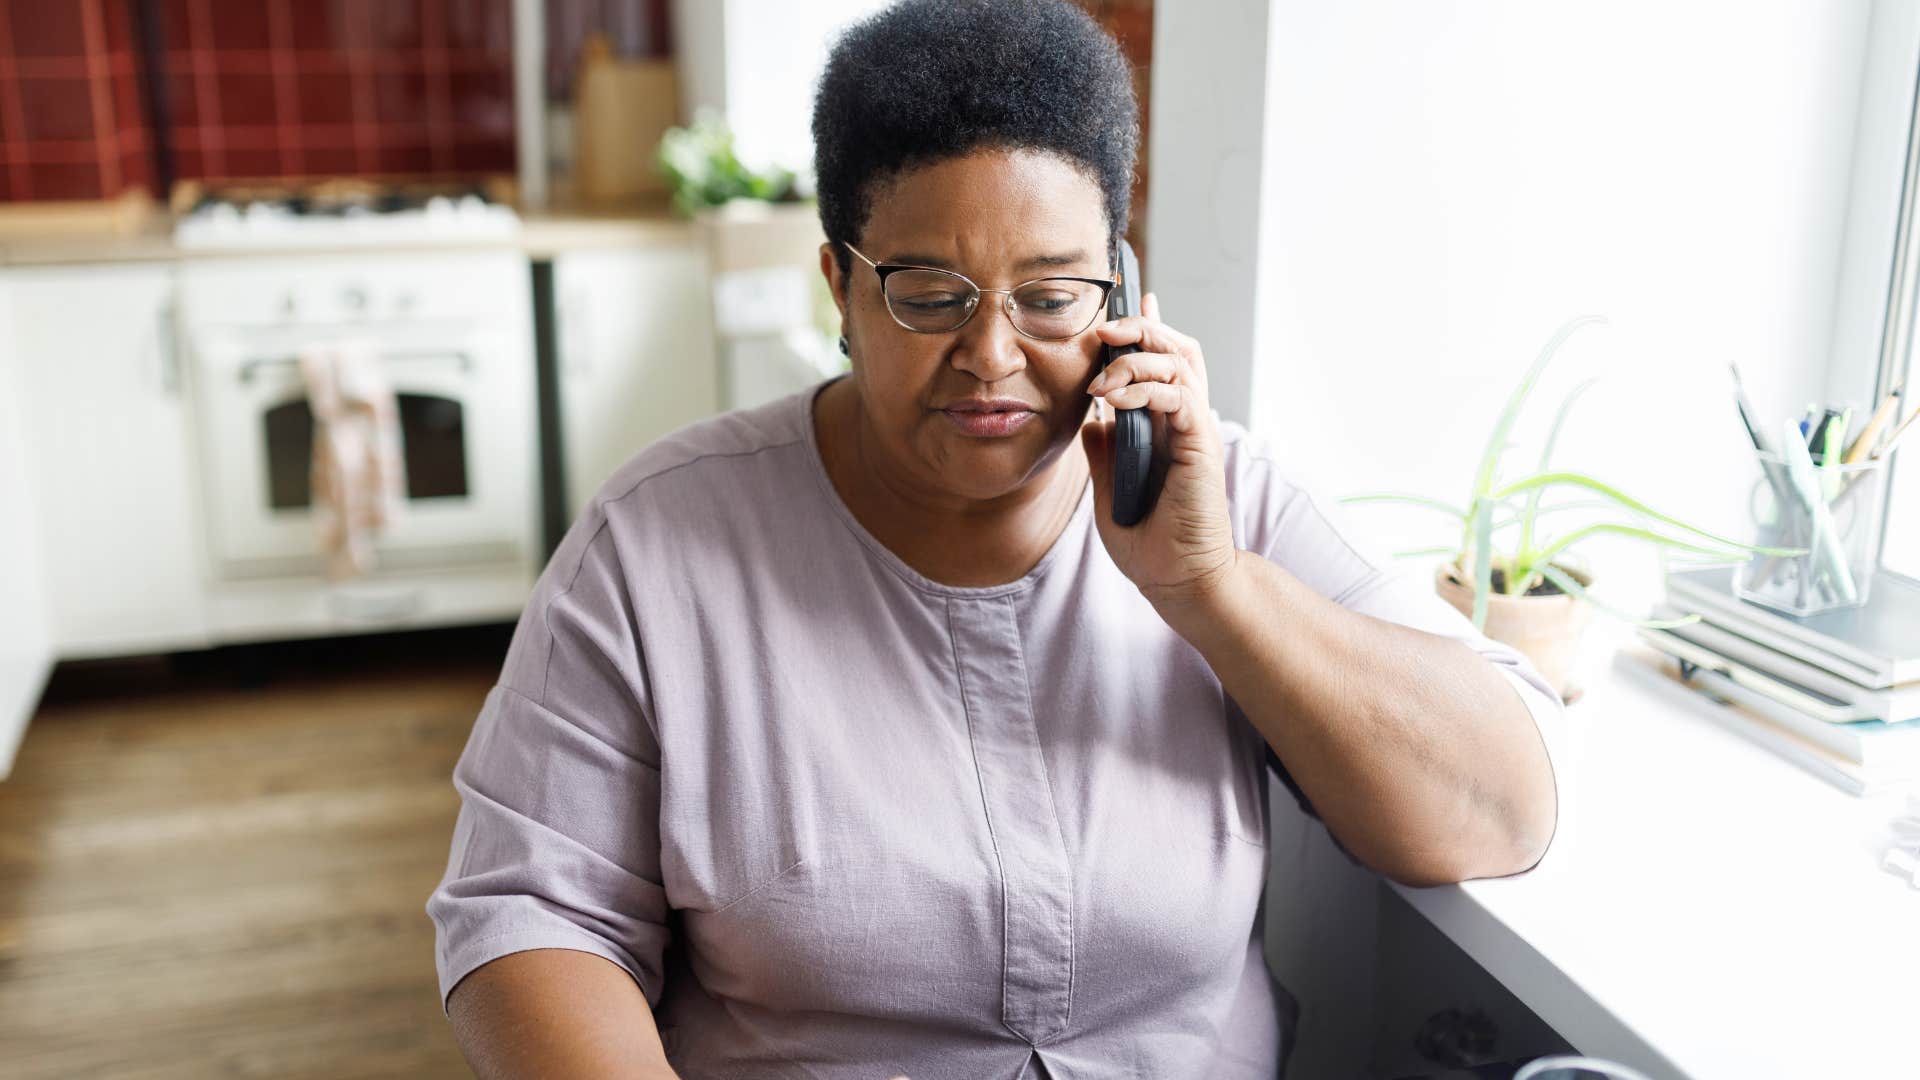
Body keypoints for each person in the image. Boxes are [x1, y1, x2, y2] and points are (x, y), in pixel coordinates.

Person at [427, 2, 1564, 1077]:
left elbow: (1501, 812)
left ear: (1120, 287)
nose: (993, 354)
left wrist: (1213, 588)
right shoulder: (660, 544)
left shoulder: (1216, 496)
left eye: (1052, 293)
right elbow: (528, 912)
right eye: (930, 293)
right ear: (840, 285)